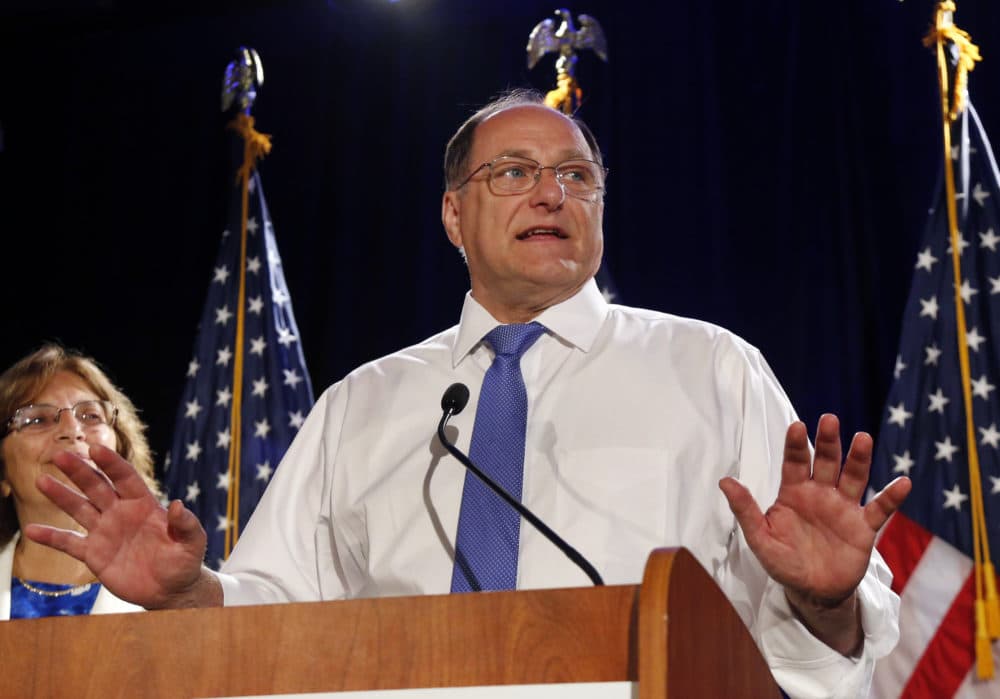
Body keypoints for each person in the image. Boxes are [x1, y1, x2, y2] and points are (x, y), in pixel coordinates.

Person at [26, 90, 910, 698]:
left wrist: (826, 596)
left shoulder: (713, 369)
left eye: (576, 177)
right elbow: (280, 615)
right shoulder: (360, 407)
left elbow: (817, 648)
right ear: (455, 215)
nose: (550, 194)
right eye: (515, 172)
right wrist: (189, 596)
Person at [0, 343, 160, 618]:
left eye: (91, 416)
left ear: (121, 451)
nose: (73, 431)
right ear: (3, 474)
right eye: (37, 419)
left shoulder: (177, 593)